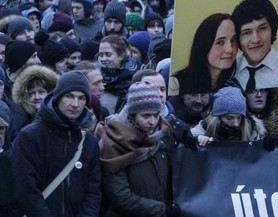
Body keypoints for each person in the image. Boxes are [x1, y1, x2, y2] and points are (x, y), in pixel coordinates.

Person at [12, 71, 101, 217]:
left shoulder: (89, 142)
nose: (75, 104)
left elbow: (93, 193)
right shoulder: (30, 136)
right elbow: (27, 189)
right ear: (58, 98)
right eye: (69, 96)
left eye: (81, 98)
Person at [96, 81, 181, 217]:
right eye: (146, 116)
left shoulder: (163, 134)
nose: (153, 121)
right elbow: (120, 197)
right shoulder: (113, 141)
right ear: (132, 115)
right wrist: (162, 210)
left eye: (156, 114)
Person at [230, 0, 278, 90]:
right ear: (238, 38)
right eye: (247, 32)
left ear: (272, 30)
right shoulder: (228, 69)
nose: (256, 39)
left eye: (262, 28)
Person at [170, 13, 237, 95]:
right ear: (204, 45)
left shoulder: (234, 83)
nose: (230, 49)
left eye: (233, 40)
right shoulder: (176, 83)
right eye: (220, 42)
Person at [98, 35, 142, 114]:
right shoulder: (96, 77)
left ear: (121, 56)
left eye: (108, 54)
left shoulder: (138, 76)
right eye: (101, 55)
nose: (103, 59)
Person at [11, 64, 59, 131]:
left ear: (50, 93)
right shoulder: (19, 118)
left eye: (41, 92)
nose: (37, 97)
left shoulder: (59, 116)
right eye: (31, 93)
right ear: (24, 96)